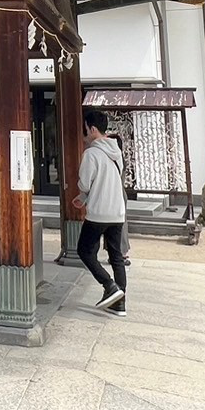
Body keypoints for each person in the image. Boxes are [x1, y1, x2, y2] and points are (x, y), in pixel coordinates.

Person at [75, 108, 128, 314]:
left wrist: (82, 194)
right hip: (117, 211)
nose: (84, 134)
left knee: (84, 251)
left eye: (85, 129)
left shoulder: (91, 154)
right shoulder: (117, 152)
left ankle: (109, 285)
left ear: (93, 129)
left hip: (98, 212)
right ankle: (119, 303)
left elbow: (86, 183)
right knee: (116, 256)